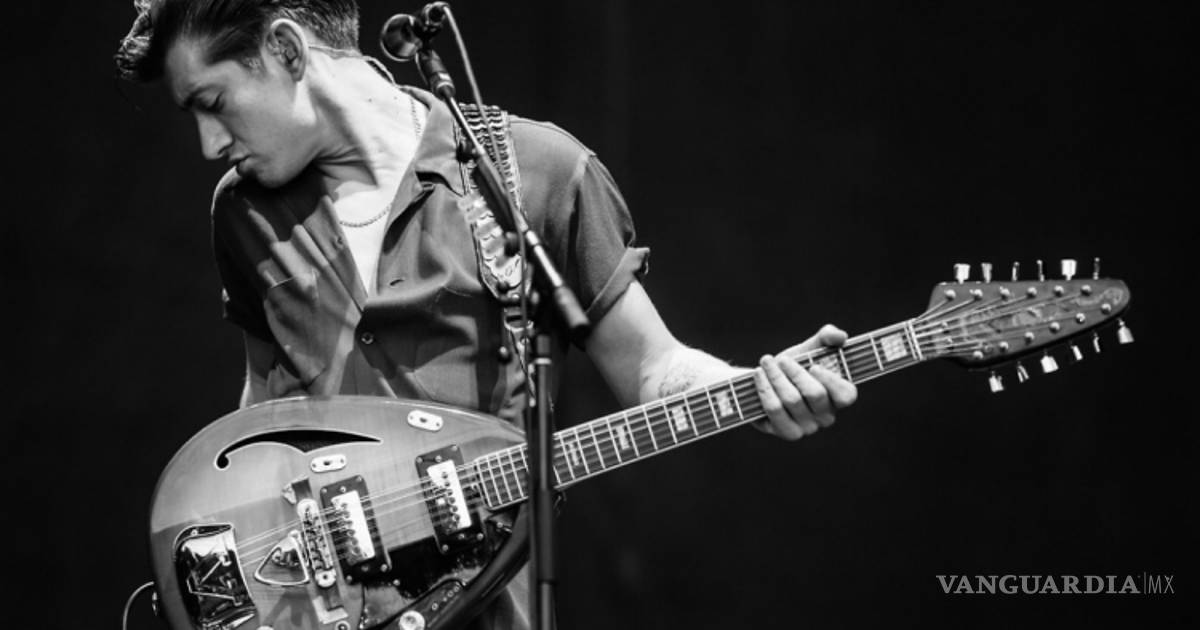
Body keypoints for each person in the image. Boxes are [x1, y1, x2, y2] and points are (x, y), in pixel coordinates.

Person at [116, 1, 858, 628]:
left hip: (485, 608)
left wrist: (752, 389)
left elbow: (655, 368)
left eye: (213, 103)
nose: (209, 144)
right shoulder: (243, 213)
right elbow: (262, 412)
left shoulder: (533, 171)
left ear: (286, 50)